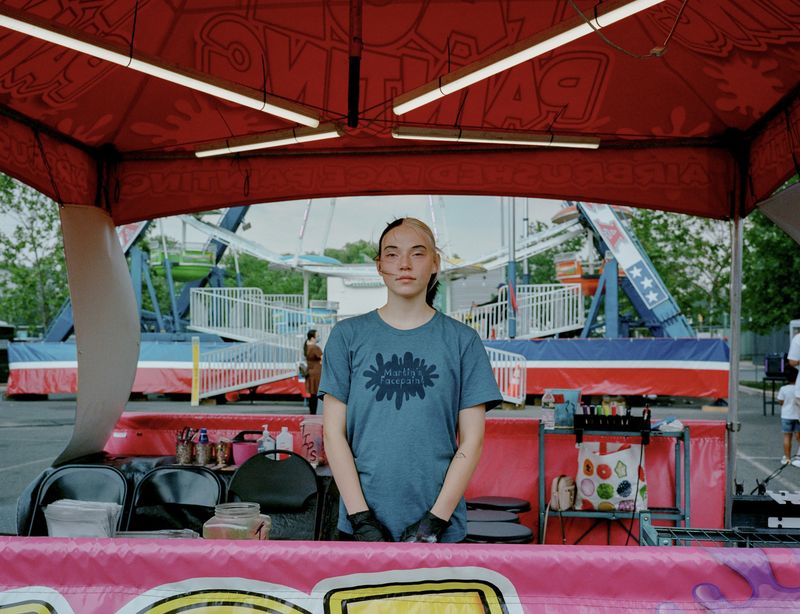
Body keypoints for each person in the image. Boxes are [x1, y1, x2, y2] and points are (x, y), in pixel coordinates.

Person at [319, 217, 502, 543]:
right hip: (360, 527)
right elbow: (334, 434)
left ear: (435, 263)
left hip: (439, 529)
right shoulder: (347, 336)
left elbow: (472, 441)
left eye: (417, 254)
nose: (404, 264)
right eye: (392, 254)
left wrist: (434, 520)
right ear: (379, 265)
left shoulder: (463, 341)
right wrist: (360, 518)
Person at [778, 364, 800, 466]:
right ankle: (798, 456)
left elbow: (781, 401)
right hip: (797, 415)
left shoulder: (783, 388)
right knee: (798, 436)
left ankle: (787, 458)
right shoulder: (798, 388)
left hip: (786, 416)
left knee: (787, 437)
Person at [303, 329, 322, 415]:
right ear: (312, 338)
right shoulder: (315, 348)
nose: (318, 338)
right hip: (316, 372)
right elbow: (323, 358)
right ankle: (314, 412)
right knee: (315, 394)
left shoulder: (307, 347)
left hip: (310, 372)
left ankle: (312, 412)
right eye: (317, 336)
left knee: (312, 394)